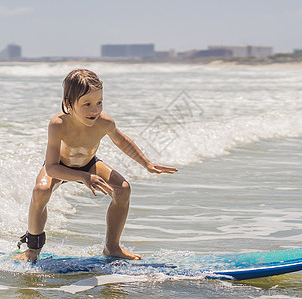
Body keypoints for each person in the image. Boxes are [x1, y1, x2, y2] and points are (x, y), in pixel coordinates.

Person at [13, 69, 178, 263]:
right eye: (87, 104)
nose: (95, 110)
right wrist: (83, 177)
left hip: (88, 164)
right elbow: (50, 167)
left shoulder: (104, 122)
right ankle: (32, 248)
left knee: (123, 189)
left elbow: (122, 141)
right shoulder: (57, 124)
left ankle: (112, 247)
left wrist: (146, 163)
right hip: (61, 166)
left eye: (99, 102)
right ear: (68, 104)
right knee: (40, 191)